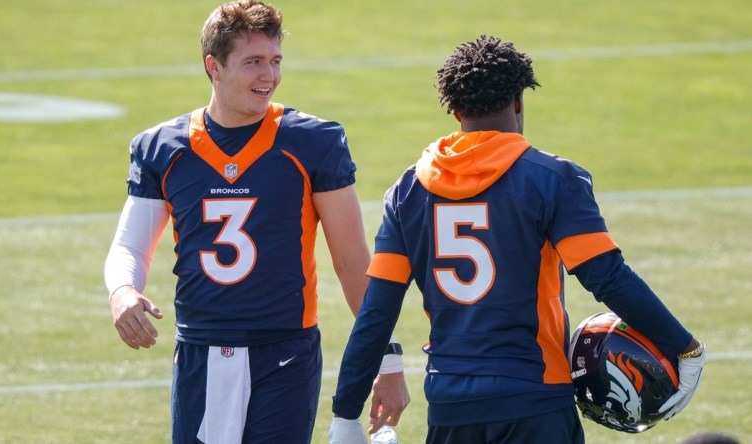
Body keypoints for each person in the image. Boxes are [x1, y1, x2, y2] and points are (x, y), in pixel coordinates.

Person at [329, 35, 705, 444]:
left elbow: (376, 312)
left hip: (452, 405)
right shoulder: (553, 178)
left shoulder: (407, 191)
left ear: (455, 111)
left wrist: (345, 413)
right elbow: (607, 278)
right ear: (519, 102)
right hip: (534, 398)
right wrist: (684, 347)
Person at [103, 1, 408, 442]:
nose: (269, 76)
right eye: (253, 63)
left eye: (275, 61)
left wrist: (389, 357)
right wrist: (122, 290)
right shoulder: (163, 148)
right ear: (214, 66)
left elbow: (352, 261)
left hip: (284, 353)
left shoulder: (312, 142)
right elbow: (131, 246)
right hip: (200, 350)